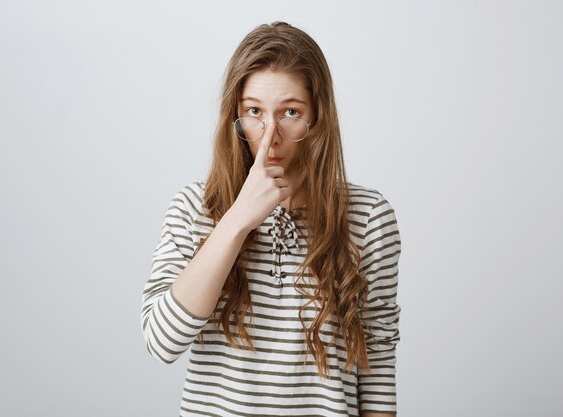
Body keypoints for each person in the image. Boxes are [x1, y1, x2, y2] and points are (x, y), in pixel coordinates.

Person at [141, 21, 401, 417]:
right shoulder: (195, 207)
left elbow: (378, 366)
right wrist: (237, 220)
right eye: (253, 112)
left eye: (291, 112)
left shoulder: (368, 218)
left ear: (317, 118)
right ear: (236, 116)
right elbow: (162, 343)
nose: (269, 134)